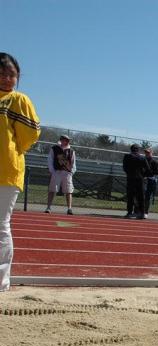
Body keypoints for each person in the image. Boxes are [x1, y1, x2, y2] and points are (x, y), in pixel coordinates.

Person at [0, 53, 41, 292]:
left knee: (1, 225)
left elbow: (30, 135)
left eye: (12, 74)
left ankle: (1, 280)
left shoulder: (18, 100)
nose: (7, 78)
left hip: (6, 170)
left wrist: (11, 150)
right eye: (2, 73)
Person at [44, 134, 76, 214]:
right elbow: (50, 160)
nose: (67, 141)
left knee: (69, 191)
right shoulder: (54, 148)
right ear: (61, 140)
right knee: (52, 189)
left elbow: (73, 162)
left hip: (67, 173)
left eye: (68, 140)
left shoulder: (71, 151)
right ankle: (48, 207)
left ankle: (69, 208)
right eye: (65, 140)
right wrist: (52, 171)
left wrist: (71, 172)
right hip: (56, 172)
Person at [122, 144, 150, 219]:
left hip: (130, 178)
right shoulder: (142, 158)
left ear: (131, 149)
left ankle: (129, 212)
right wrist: (143, 175)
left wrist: (129, 173)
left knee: (130, 196)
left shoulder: (127, 157)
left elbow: (124, 168)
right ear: (138, 150)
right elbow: (148, 169)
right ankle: (142, 213)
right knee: (141, 197)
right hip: (140, 179)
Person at [143, 148, 158, 217]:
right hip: (142, 180)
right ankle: (138, 210)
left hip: (151, 181)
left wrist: (148, 174)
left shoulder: (154, 162)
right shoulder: (142, 160)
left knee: (147, 197)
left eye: (148, 153)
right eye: (146, 152)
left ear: (151, 153)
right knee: (140, 195)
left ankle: (145, 212)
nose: (147, 154)